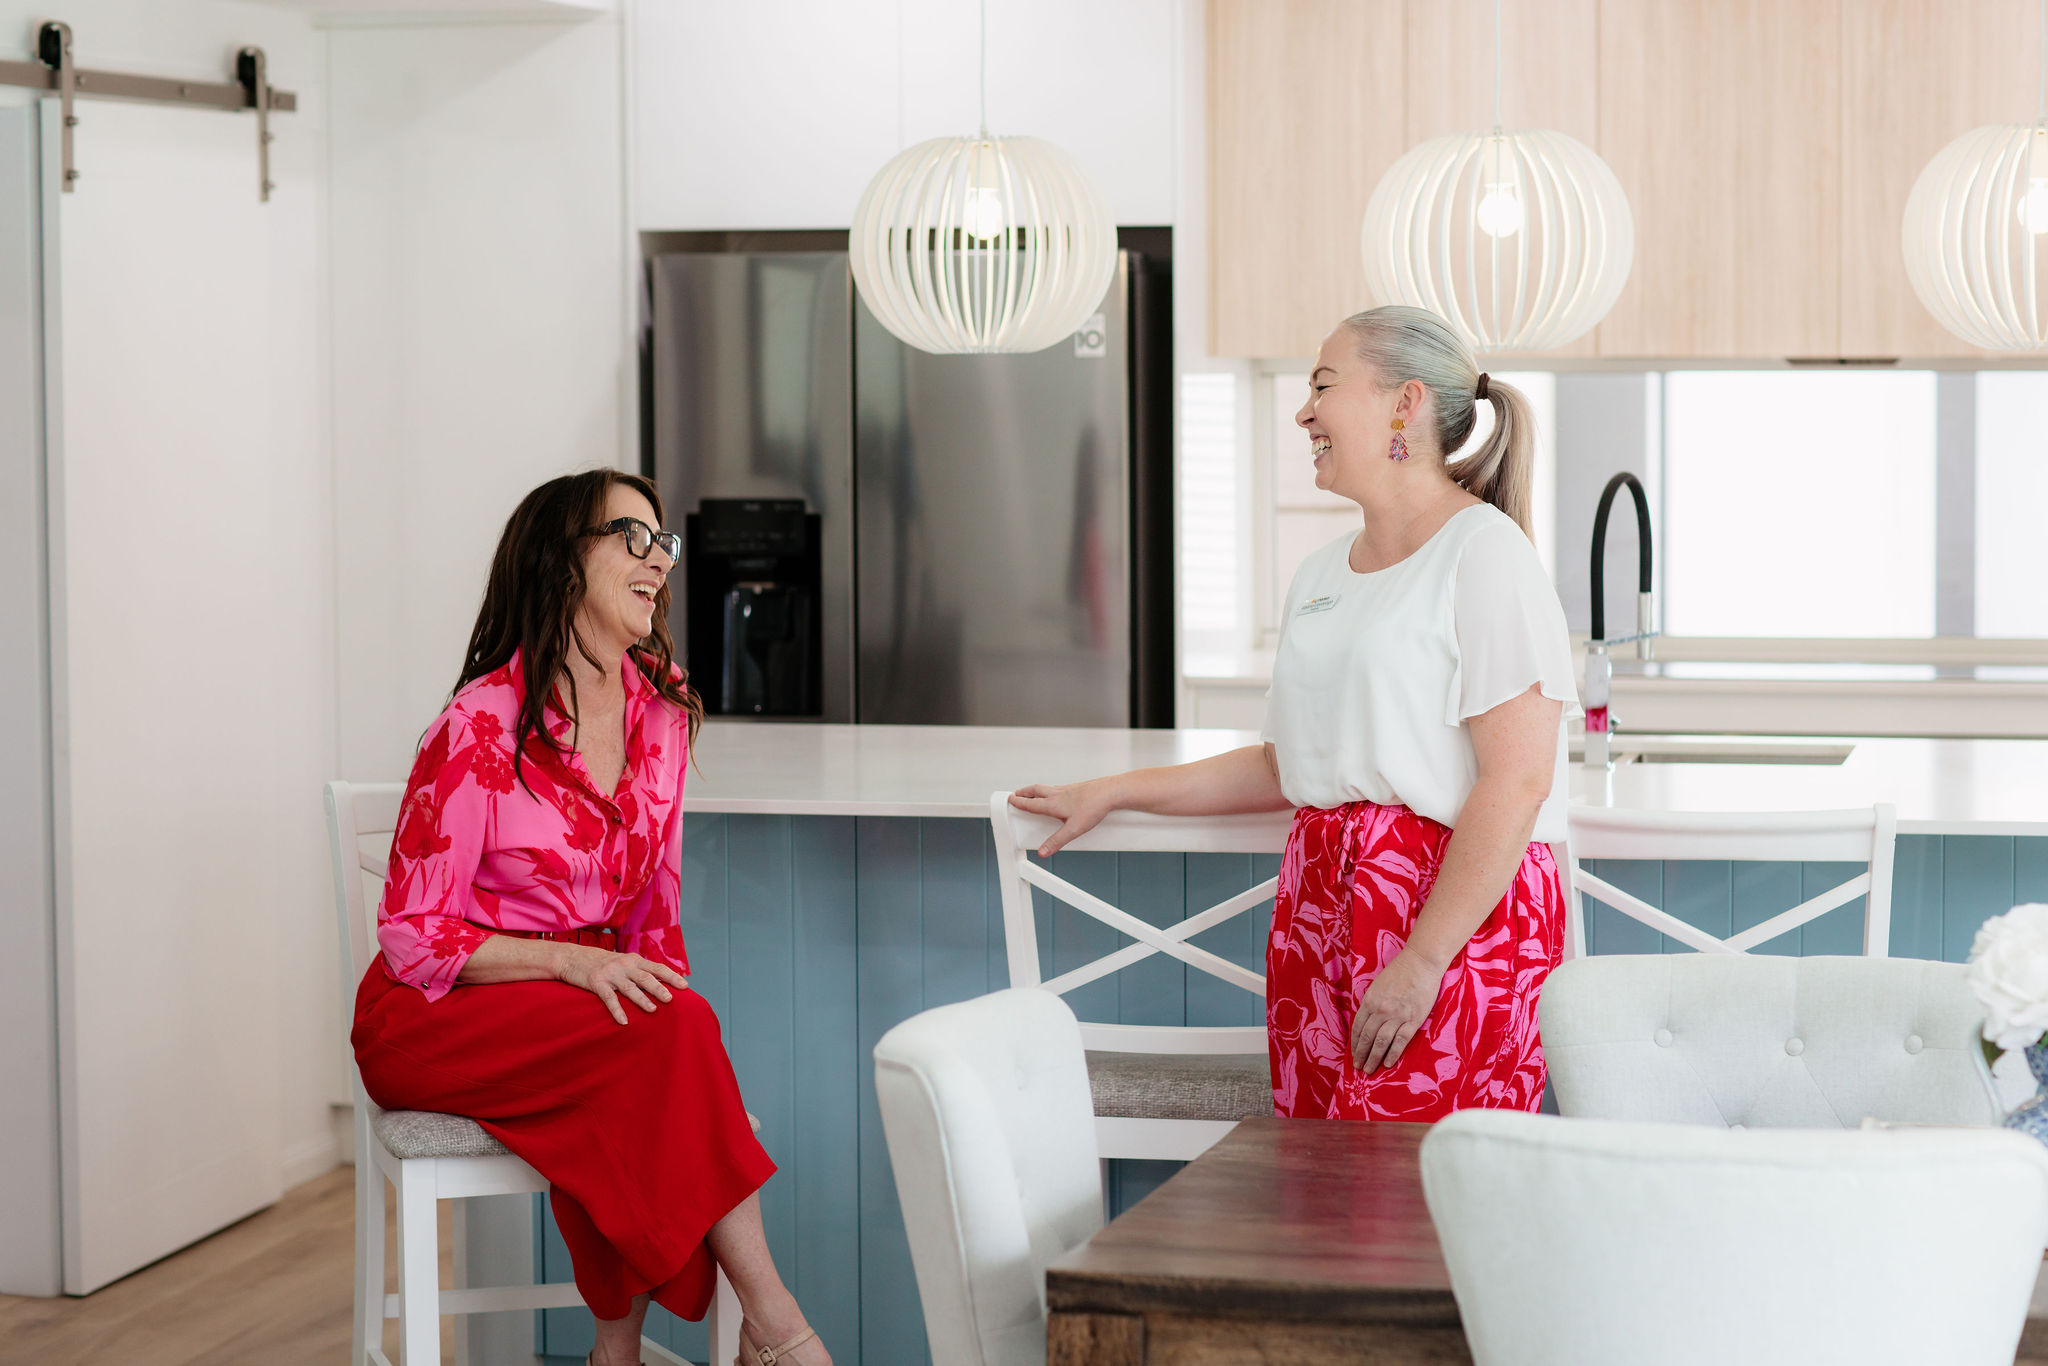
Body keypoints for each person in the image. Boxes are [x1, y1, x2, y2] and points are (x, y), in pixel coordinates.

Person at [1012, 305, 1578, 1123]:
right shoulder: (1320, 572)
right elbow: (1286, 764)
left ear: (1404, 403)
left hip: (1446, 920)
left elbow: (1518, 780)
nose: (1303, 411)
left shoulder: (1485, 554)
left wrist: (1422, 960)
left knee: (1424, 1194)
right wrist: (1115, 789)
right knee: (1323, 1184)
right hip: (1323, 902)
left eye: (1322, 386)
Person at [350, 471, 828, 1366]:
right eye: (632, 539)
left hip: (576, 1024)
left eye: (665, 544)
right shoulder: (478, 727)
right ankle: (775, 1323)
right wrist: (570, 966)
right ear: (561, 561)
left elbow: (653, 914)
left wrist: (669, 1039)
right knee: (650, 1047)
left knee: (652, 1048)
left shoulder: (664, 715)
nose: (659, 563)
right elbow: (413, 932)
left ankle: (618, 1352)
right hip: (431, 1017)